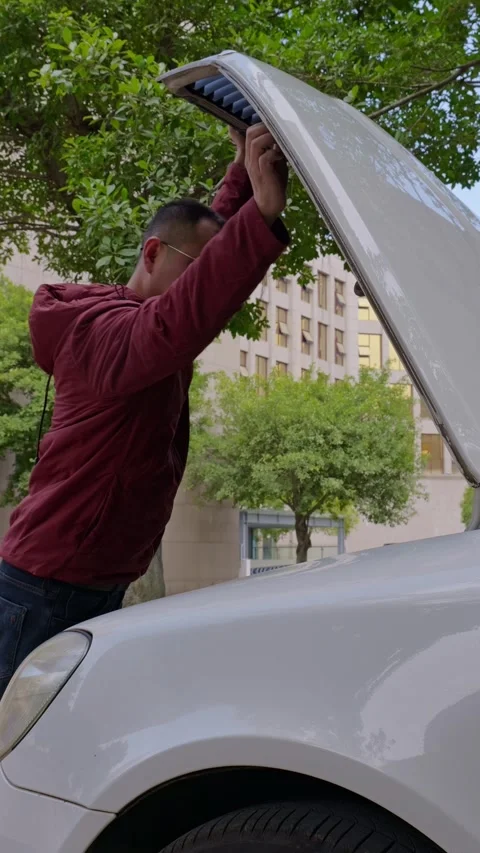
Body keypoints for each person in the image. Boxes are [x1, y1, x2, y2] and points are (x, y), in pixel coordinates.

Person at [0, 123, 289, 698]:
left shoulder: (135, 319)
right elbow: (177, 317)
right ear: (152, 254)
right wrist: (260, 216)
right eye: (194, 272)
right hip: (43, 592)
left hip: (88, 584)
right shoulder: (105, 333)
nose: (202, 291)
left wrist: (238, 176)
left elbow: (198, 254)